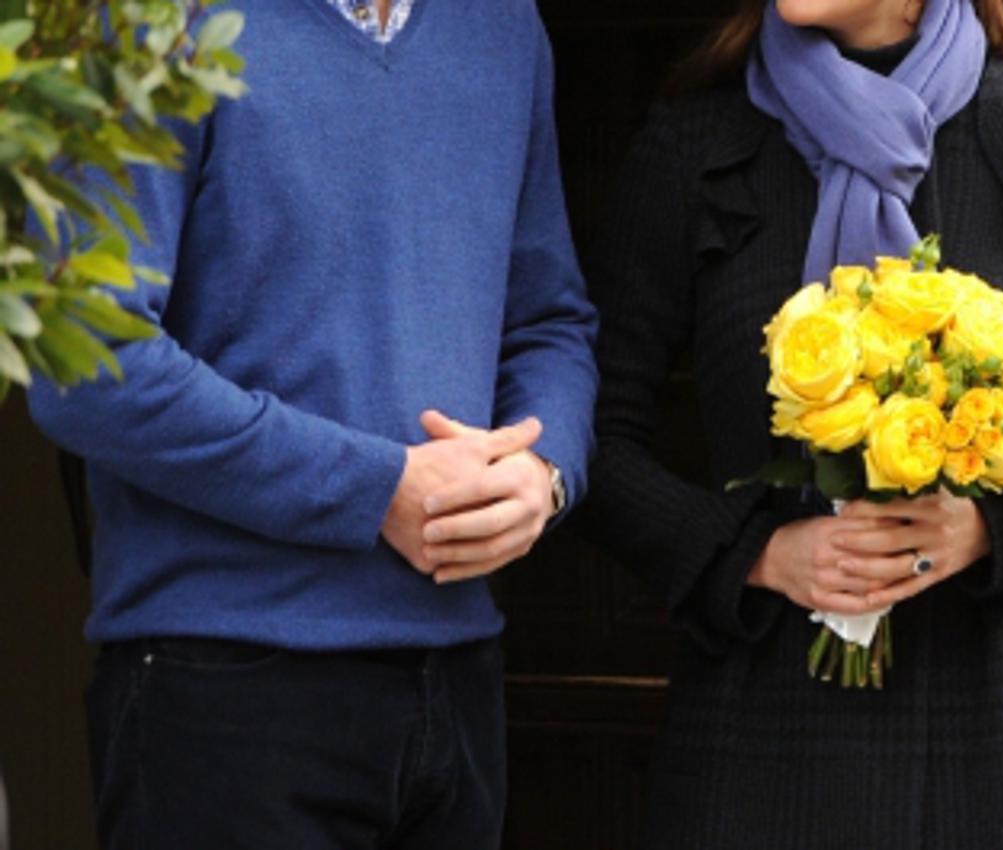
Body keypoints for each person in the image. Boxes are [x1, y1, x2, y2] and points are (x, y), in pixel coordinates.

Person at [584, 0, 1003, 847]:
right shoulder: (691, 146)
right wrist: (753, 553)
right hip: (757, 740)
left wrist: (990, 527)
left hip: (991, 742)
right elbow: (591, 438)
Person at [26, 0, 598, 847]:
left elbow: (548, 321)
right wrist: (377, 491)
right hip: (226, 685)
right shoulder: (151, 24)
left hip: (459, 680)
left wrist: (542, 472)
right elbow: (84, 364)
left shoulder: (504, 27)